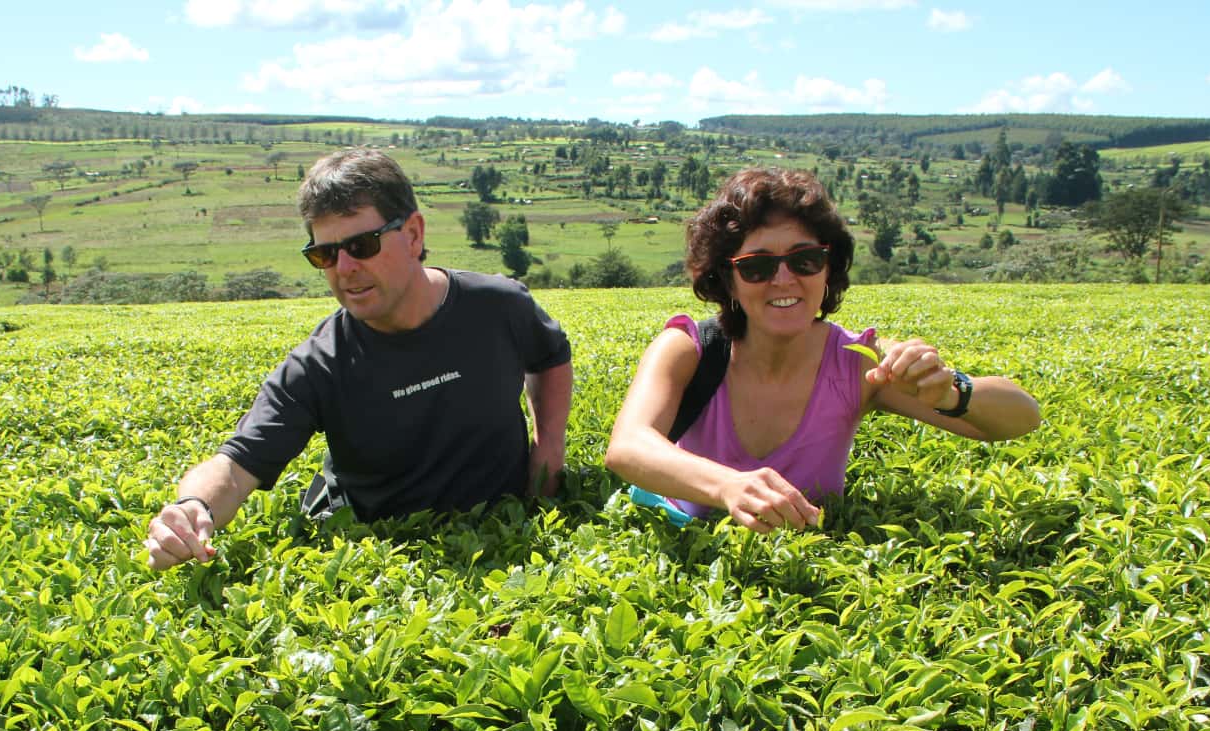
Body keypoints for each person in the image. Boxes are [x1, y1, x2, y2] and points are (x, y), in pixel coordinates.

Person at [146, 149, 574, 570]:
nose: (344, 268)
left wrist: (548, 447)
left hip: (505, 526)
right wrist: (191, 508)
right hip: (385, 545)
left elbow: (550, 356)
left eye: (362, 245)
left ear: (413, 235)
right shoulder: (319, 364)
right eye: (324, 254)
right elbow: (237, 466)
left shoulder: (497, 305)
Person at [605, 166, 1039, 531]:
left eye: (804, 260)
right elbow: (628, 446)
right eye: (756, 266)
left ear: (828, 269)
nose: (784, 280)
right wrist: (728, 486)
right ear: (727, 279)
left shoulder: (857, 364)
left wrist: (950, 393)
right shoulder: (688, 349)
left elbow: (1021, 418)